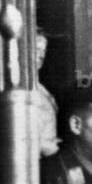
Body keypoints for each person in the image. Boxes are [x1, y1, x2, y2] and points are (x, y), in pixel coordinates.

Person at [33, 29, 59, 157]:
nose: (41, 55)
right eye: (37, 49)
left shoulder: (42, 90)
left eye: (43, 50)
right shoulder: (25, 90)